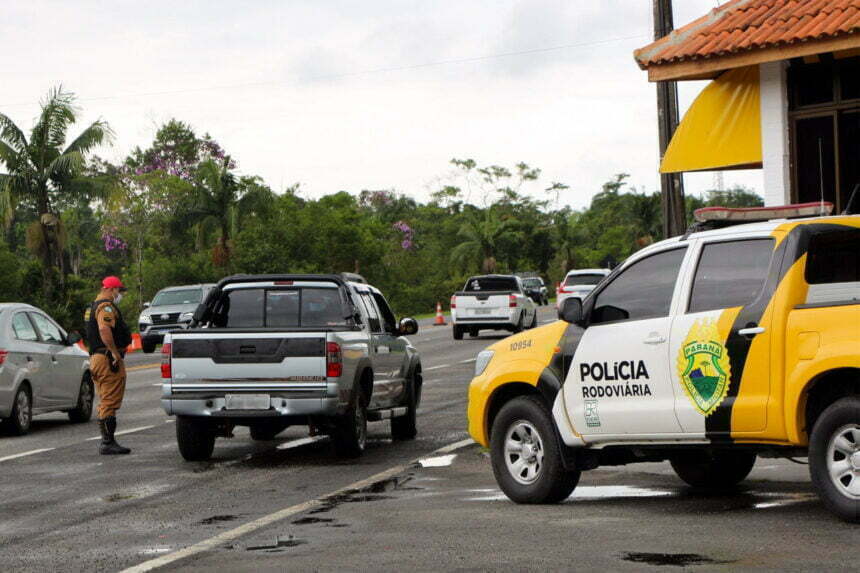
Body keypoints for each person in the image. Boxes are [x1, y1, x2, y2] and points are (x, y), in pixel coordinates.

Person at [85, 276, 133, 455]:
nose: (120, 294)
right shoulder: (105, 307)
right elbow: (104, 330)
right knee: (109, 401)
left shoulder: (92, 307)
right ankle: (107, 442)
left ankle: (108, 440)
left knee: (105, 399)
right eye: (119, 291)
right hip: (106, 359)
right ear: (112, 289)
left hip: (97, 358)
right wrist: (113, 351)